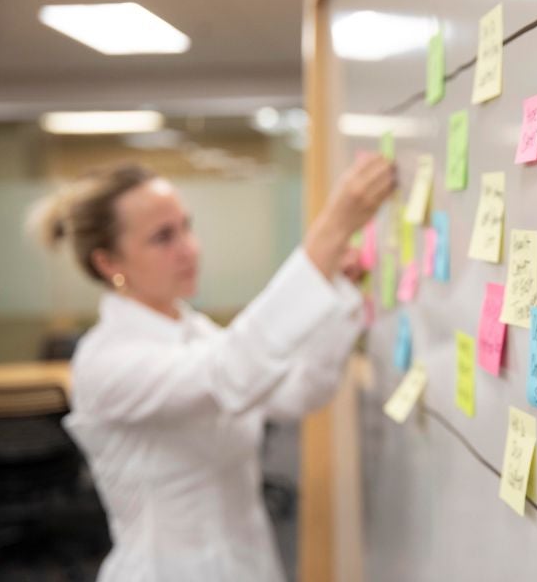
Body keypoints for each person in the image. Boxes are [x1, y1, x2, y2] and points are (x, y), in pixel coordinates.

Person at [29, 156, 395, 582]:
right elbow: (231, 373)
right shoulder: (105, 361)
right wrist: (330, 232)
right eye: (163, 237)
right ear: (109, 263)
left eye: (187, 226)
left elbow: (296, 394)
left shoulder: (196, 331)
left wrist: (337, 300)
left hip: (249, 565)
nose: (189, 248)